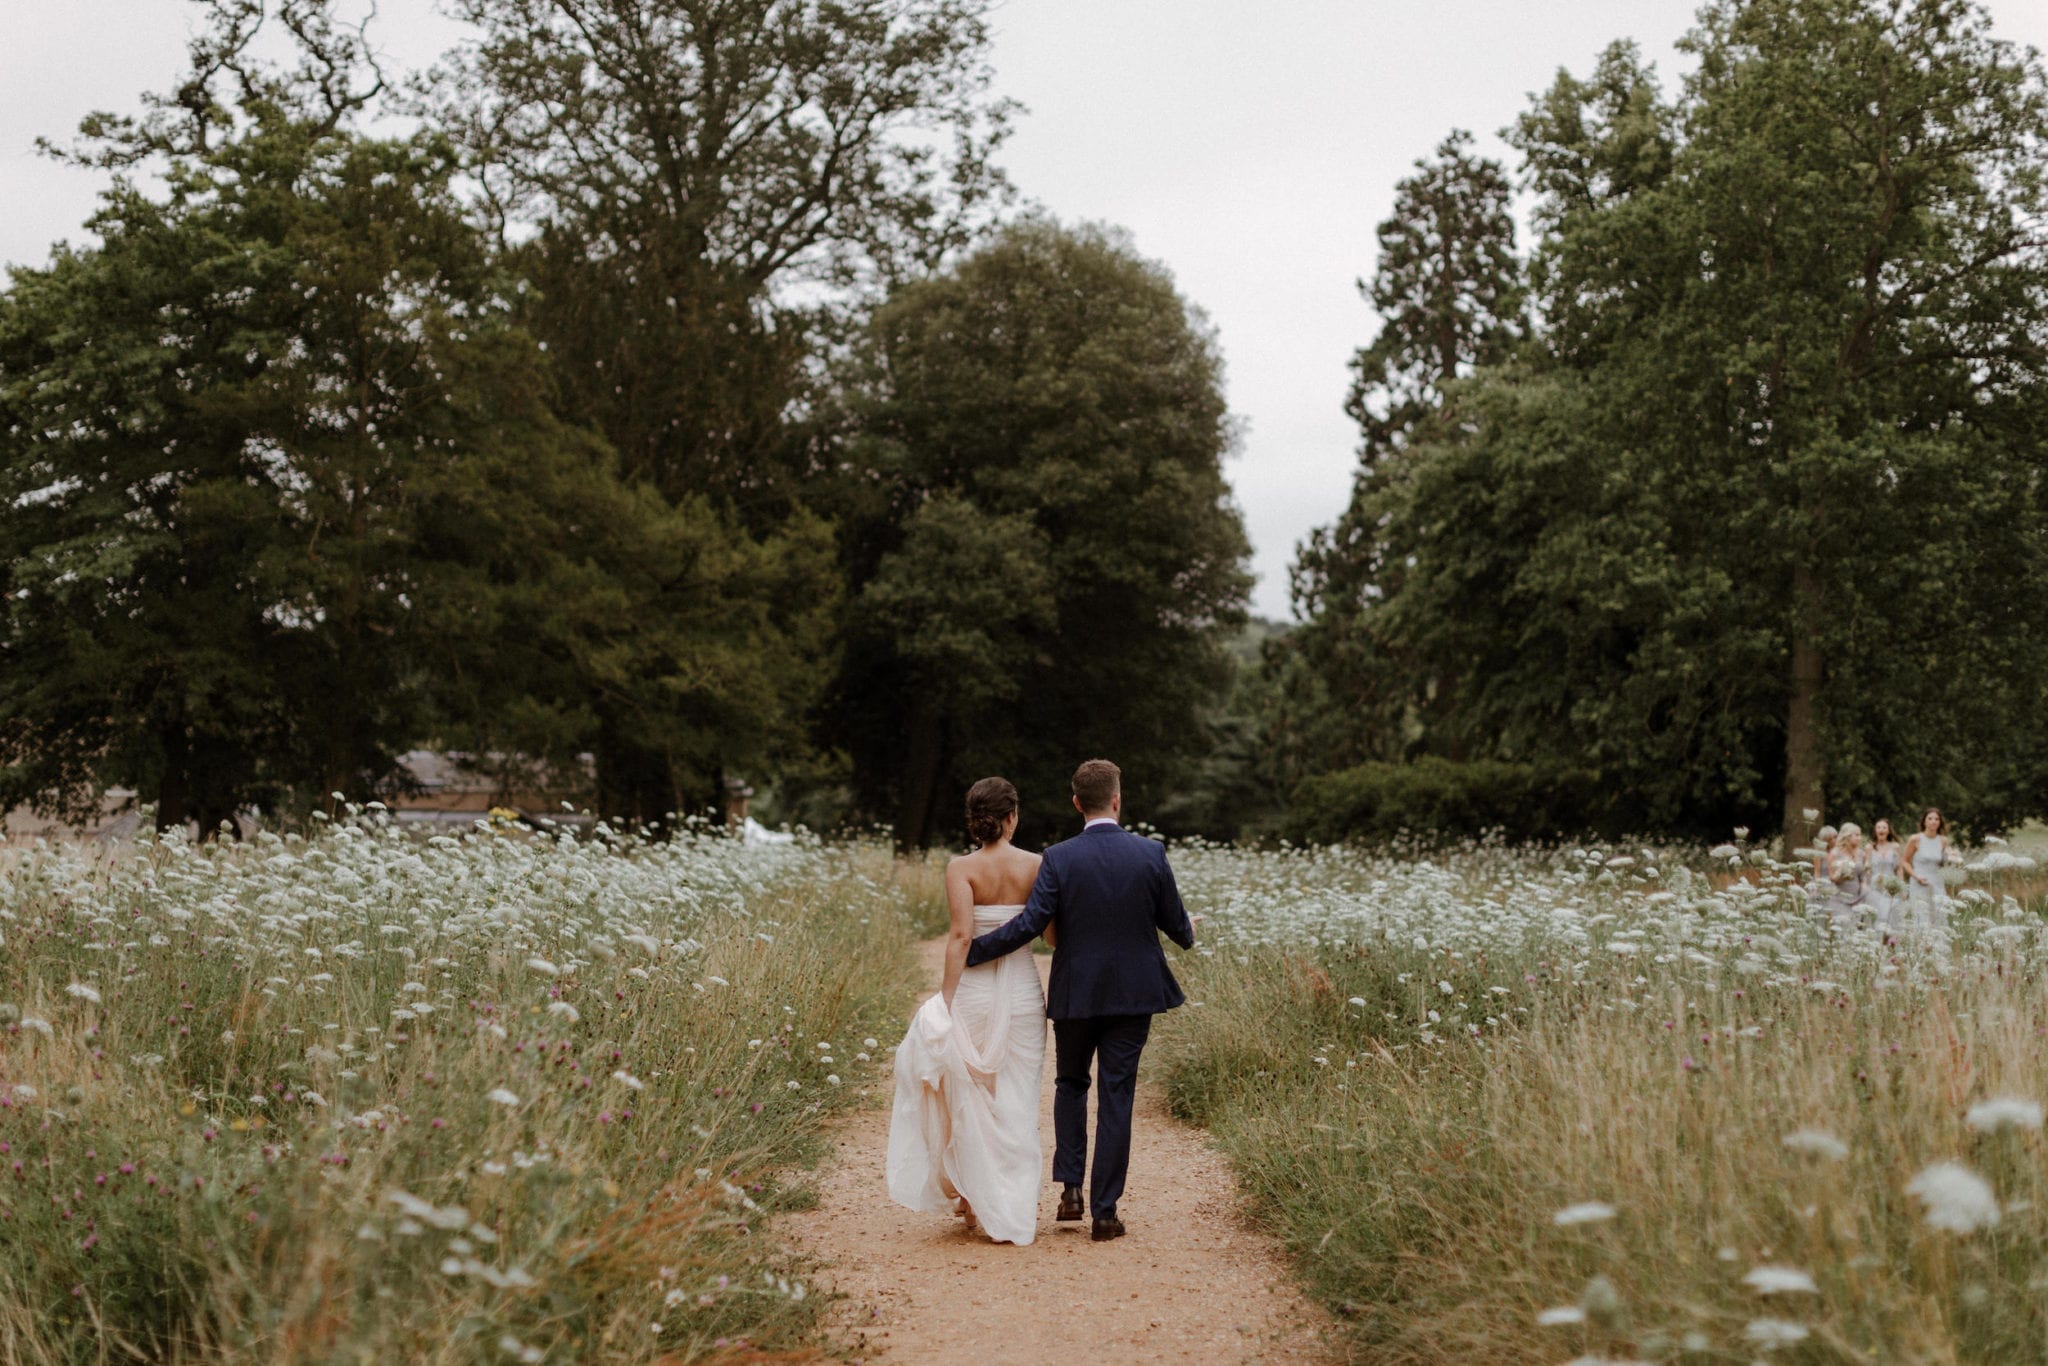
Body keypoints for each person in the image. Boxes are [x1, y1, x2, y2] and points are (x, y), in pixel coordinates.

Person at [964, 759, 1196, 1242]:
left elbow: (1031, 924)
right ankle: (1105, 1212)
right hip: (1134, 996)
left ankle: (1070, 1190)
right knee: (1117, 1096)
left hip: (1075, 993)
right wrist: (1190, 930)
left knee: (1071, 1083)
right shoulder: (1150, 853)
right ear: (1117, 798)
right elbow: (1178, 928)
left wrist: (976, 951)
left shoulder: (1059, 858)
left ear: (1076, 803)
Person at [886, 778, 1048, 1244]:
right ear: (1012, 816)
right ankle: (1011, 1206)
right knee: (1016, 1096)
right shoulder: (1038, 865)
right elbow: (1050, 938)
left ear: (975, 819)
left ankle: (975, 1201)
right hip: (1020, 988)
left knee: (970, 1095)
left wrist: (945, 1000)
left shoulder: (961, 868)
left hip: (973, 990)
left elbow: (960, 937)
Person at [1901, 807, 1953, 931]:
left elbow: (1942, 862)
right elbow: (1905, 861)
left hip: (1937, 881)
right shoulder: (1915, 839)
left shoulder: (1943, 840)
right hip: (1920, 881)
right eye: (1930, 818)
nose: (1933, 821)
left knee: (1940, 916)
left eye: (1936, 819)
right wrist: (1916, 876)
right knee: (1921, 917)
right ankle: (1921, 947)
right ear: (1924, 821)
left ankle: (1938, 948)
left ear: (1940, 822)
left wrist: (1951, 858)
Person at [1822, 822, 1866, 928]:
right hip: (1839, 897)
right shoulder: (1834, 853)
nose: (1859, 838)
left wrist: (1864, 887)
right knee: (1843, 927)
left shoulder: (1861, 854)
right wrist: (1842, 877)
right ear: (1847, 836)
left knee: (1855, 929)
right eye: (1856, 835)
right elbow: (1832, 877)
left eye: (1860, 835)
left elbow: (1863, 875)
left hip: (1858, 898)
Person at [1861, 818, 1904, 928]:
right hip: (1874, 887)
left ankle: (1889, 941)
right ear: (1875, 831)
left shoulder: (1895, 847)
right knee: (1876, 914)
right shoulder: (1869, 847)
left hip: (1891, 886)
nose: (1881, 830)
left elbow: (1899, 869)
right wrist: (1864, 884)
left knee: (1890, 914)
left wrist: (1902, 886)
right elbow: (1867, 868)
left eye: (1884, 827)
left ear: (1888, 831)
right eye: (1878, 827)